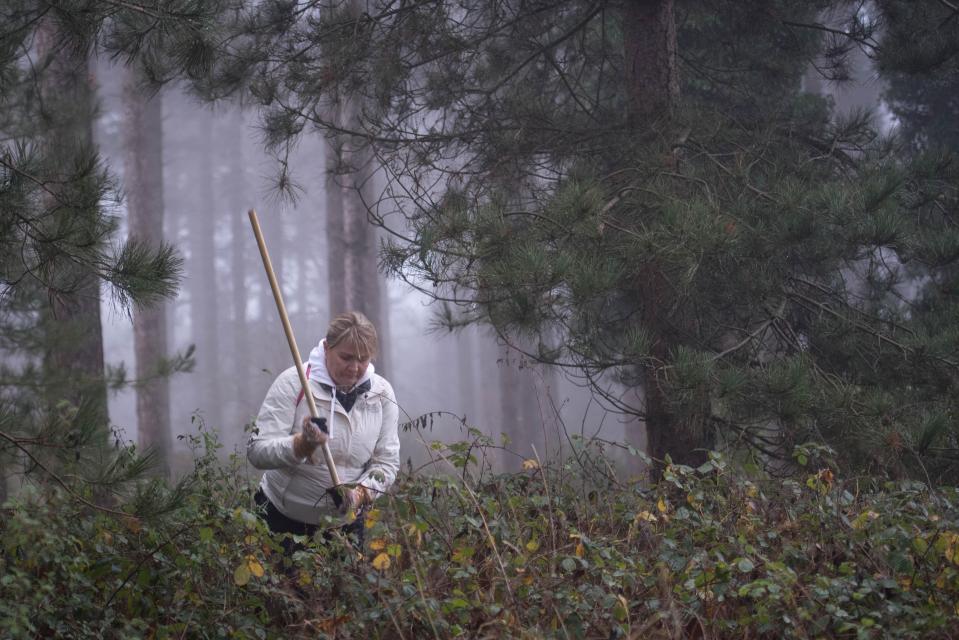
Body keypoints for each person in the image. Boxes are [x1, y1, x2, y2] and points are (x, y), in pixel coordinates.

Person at [247, 311, 399, 548]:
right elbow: (257, 451)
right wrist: (301, 445)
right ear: (327, 348)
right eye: (346, 357)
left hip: (344, 527)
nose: (354, 368)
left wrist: (361, 493)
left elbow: (387, 463)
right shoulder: (294, 382)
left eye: (363, 359)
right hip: (281, 520)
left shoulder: (381, 394)